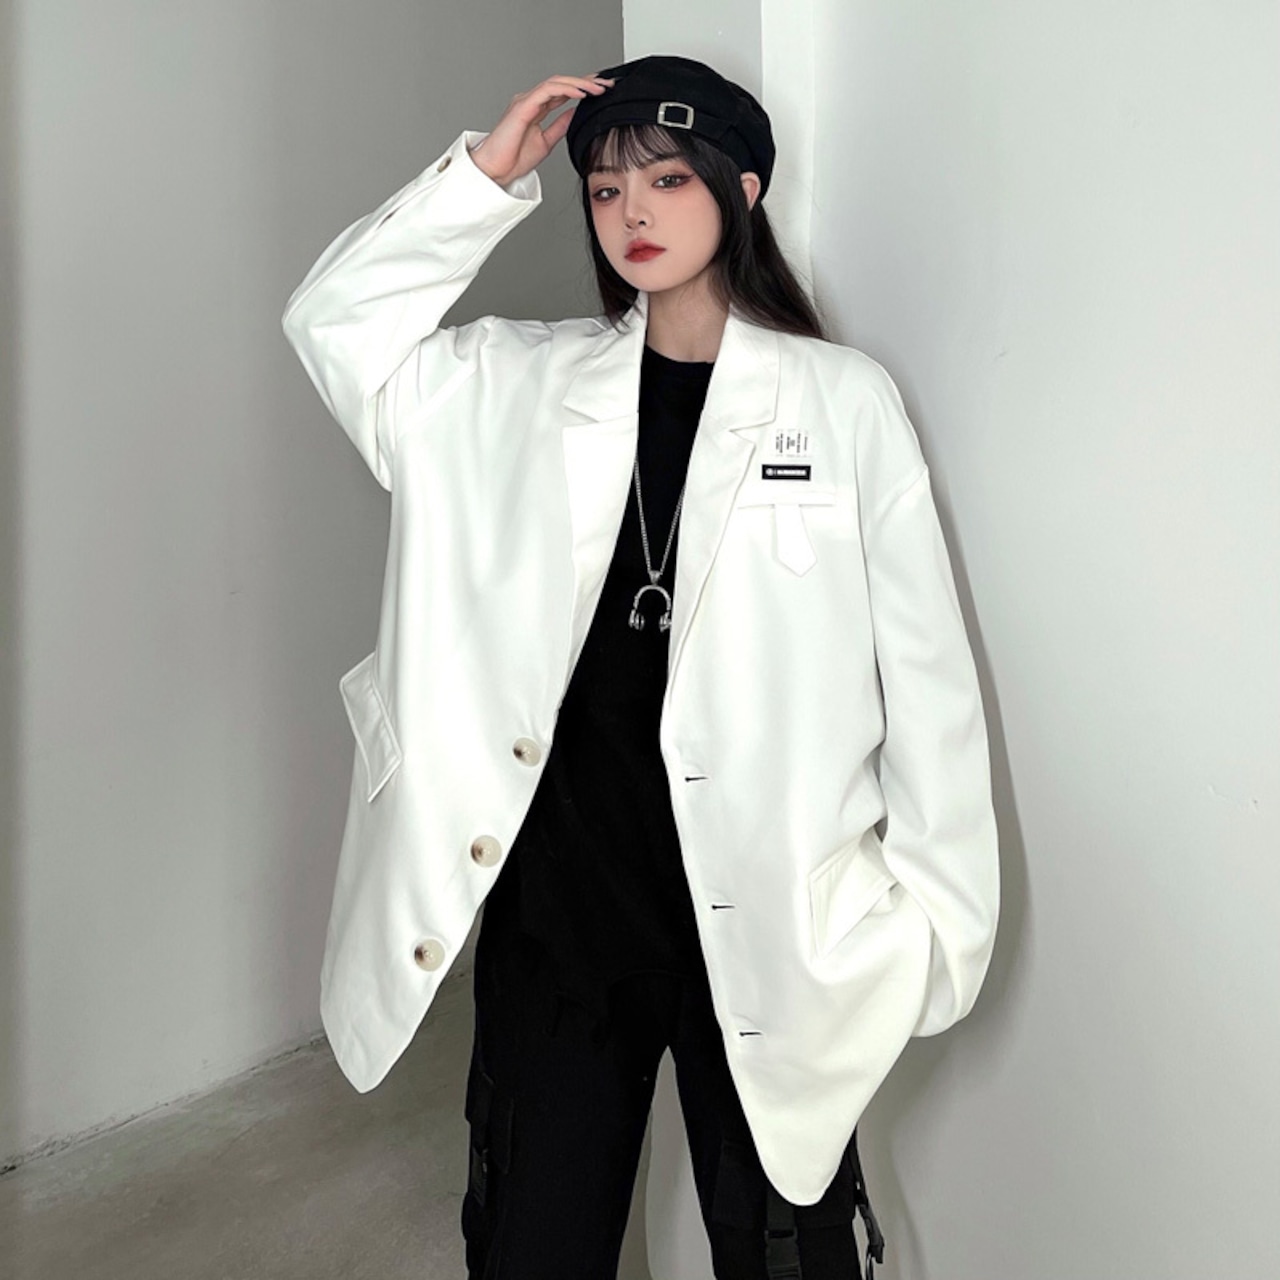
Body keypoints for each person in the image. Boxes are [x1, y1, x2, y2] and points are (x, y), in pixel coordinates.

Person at [282, 53, 1000, 1280]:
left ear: (740, 189)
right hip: (560, 910)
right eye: (606, 189)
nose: (632, 214)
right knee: (531, 1241)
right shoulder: (506, 386)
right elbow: (332, 327)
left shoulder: (841, 402)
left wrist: (936, 927)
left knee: (786, 1249)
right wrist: (482, 177)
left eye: (667, 180)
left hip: (771, 912)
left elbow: (927, 684)